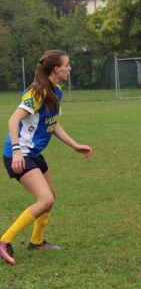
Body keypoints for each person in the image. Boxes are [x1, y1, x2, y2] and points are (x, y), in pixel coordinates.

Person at [0, 50, 92, 266]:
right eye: (67, 65)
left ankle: (37, 241)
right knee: (45, 200)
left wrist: (75, 146)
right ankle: (4, 240)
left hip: (33, 154)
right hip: (19, 155)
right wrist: (16, 151)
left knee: (50, 197)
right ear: (55, 69)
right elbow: (13, 121)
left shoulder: (56, 91)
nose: (69, 68)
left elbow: (54, 123)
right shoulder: (37, 92)